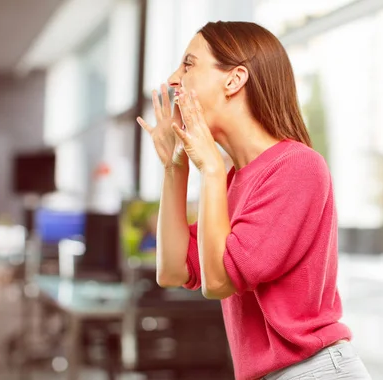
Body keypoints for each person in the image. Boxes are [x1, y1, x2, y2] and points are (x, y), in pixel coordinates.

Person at [137, 21, 371, 380]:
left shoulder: (297, 167)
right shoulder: (233, 182)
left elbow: (218, 282)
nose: (172, 79)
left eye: (188, 64)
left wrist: (211, 171)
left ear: (234, 80)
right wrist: (176, 168)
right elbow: (173, 270)